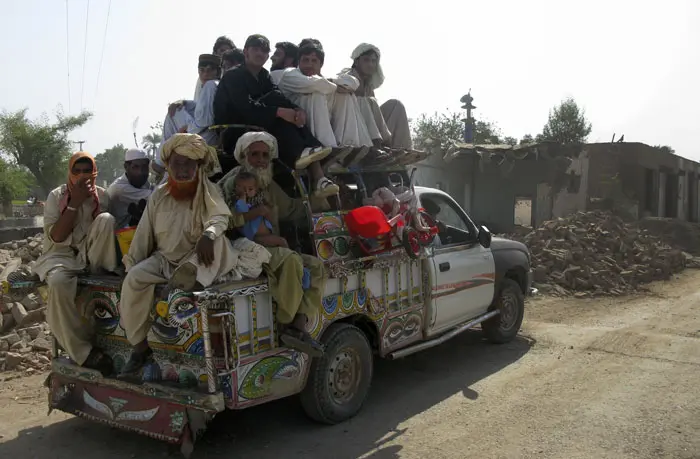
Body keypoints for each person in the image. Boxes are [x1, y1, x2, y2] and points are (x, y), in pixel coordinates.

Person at [118, 133, 270, 376]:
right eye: (178, 163)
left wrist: (209, 235)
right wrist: (131, 264)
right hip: (165, 260)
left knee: (218, 241)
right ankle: (139, 348)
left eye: (189, 164)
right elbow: (143, 236)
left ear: (198, 166)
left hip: (199, 257)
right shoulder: (158, 196)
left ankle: (186, 284)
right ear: (169, 165)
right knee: (134, 278)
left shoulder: (207, 191)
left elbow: (220, 218)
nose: (183, 169)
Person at [217, 132, 326, 356]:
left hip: (269, 247)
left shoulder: (266, 183)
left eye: (265, 155)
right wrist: (255, 213)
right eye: (254, 154)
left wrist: (323, 200)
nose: (260, 159)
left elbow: (293, 209)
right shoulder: (233, 182)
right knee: (291, 260)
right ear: (243, 156)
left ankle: (298, 324)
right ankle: (286, 325)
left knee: (315, 266)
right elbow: (223, 221)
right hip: (243, 248)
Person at [213, 34, 338, 198]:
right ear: (246, 52)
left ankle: (318, 176)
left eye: (264, 51)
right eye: (255, 49)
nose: (260, 54)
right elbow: (245, 108)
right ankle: (305, 152)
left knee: (279, 104)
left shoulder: (264, 75)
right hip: (235, 131)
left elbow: (278, 96)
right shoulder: (233, 76)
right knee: (277, 111)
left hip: (259, 125)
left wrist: (296, 110)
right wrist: (279, 112)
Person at [31, 152, 119, 376]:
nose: (82, 176)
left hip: (92, 256)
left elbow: (104, 232)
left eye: (86, 171)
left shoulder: (102, 195)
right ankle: (83, 353)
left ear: (94, 172)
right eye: (76, 171)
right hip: (61, 255)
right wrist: (75, 203)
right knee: (59, 282)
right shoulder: (56, 196)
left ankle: (104, 272)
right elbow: (57, 237)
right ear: (70, 173)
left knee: (107, 219)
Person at [275, 41, 391, 166]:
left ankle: (350, 146)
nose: (309, 64)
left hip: (317, 118)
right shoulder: (290, 74)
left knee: (345, 96)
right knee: (317, 94)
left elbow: (353, 83)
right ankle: (327, 148)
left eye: (314, 61)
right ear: (299, 62)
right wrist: (337, 86)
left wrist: (333, 84)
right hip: (298, 124)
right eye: (305, 60)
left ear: (321, 64)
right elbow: (315, 84)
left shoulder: (323, 80)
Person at [342, 43, 413, 150]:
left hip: (369, 127)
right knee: (367, 101)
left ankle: (399, 149)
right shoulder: (349, 78)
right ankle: (378, 146)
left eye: (373, 61)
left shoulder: (368, 85)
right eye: (366, 60)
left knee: (396, 105)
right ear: (356, 61)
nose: (370, 64)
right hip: (351, 128)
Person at [160, 54, 222, 155]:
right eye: (202, 70)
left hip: (207, 135)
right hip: (205, 133)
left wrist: (188, 128)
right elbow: (200, 107)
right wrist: (184, 102)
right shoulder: (213, 85)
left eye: (210, 70)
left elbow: (205, 121)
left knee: (174, 113)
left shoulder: (210, 85)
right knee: (177, 108)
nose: (205, 74)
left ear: (217, 72)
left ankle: (160, 160)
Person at [231, 171, 288, 248]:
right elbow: (243, 213)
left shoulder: (257, 199)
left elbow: (268, 208)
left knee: (281, 241)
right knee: (282, 241)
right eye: (243, 189)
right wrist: (242, 197)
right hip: (255, 238)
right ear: (236, 189)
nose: (246, 192)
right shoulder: (238, 201)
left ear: (256, 190)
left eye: (250, 189)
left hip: (267, 232)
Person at [106, 148, 154, 228]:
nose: (140, 172)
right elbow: (157, 196)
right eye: (135, 167)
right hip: (120, 236)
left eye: (144, 167)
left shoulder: (141, 182)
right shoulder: (120, 189)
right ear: (126, 167)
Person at [194, 36, 235, 100]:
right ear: (215, 53)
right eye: (222, 51)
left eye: (228, 52)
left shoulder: (232, 74)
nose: (225, 54)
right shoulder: (205, 76)